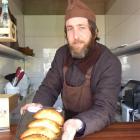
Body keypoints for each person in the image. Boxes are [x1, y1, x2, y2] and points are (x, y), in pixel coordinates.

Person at [21, 0, 121, 139]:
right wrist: (38, 105)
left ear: (94, 31)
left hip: (97, 125)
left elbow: (105, 108)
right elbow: (49, 88)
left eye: (81, 27)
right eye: (70, 28)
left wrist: (77, 123)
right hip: (66, 125)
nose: (75, 36)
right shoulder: (62, 54)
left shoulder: (109, 61)